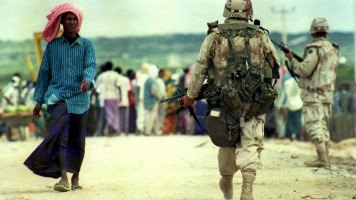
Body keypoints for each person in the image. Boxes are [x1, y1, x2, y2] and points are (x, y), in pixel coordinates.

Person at [179, 0, 280, 199]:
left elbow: (200, 68)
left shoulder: (214, 36)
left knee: (226, 142)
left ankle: (227, 184)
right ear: (249, 11)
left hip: (222, 103)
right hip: (254, 101)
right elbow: (275, 66)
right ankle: (247, 191)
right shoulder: (260, 35)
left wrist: (191, 96)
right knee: (250, 143)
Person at [24, 3, 96, 192]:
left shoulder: (87, 45)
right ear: (62, 22)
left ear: (78, 22)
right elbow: (44, 73)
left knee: (78, 138)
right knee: (60, 137)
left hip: (80, 99)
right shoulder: (52, 47)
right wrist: (38, 101)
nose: (71, 22)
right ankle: (63, 178)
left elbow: (90, 66)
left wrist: (87, 80)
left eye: (74, 19)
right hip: (58, 98)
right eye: (68, 19)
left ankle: (76, 176)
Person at [284, 18, 339, 168]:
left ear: (312, 31)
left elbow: (304, 70)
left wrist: (292, 60)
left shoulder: (314, 48)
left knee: (314, 126)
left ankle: (323, 160)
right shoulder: (332, 48)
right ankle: (325, 158)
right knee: (322, 126)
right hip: (327, 94)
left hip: (314, 95)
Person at [95, 61, 122, 136]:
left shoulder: (102, 75)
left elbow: (96, 87)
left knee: (108, 112)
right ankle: (115, 127)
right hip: (115, 96)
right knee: (115, 112)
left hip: (106, 97)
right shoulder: (116, 75)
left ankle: (110, 125)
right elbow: (119, 86)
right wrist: (121, 96)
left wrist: (92, 96)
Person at [143, 65, 163, 136]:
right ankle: (147, 131)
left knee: (155, 116)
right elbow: (155, 91)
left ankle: (157, 131)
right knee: (153, 115)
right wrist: (160, 97)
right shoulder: (152, 81)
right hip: (153, 101)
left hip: (147, 101)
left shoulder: (147, 80)